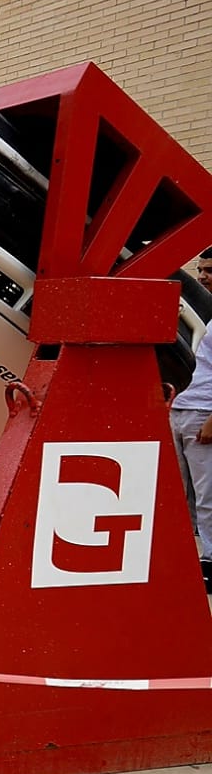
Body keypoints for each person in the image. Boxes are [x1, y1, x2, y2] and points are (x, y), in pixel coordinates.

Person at [171, 250, 212, 591]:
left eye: (209, 270)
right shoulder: (191, 312)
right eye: (200, 270)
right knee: (174, 493)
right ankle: (180, 557)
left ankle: (211, 558)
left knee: (207, 495)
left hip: (202, 414)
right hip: (175, 409)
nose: (202, 276)